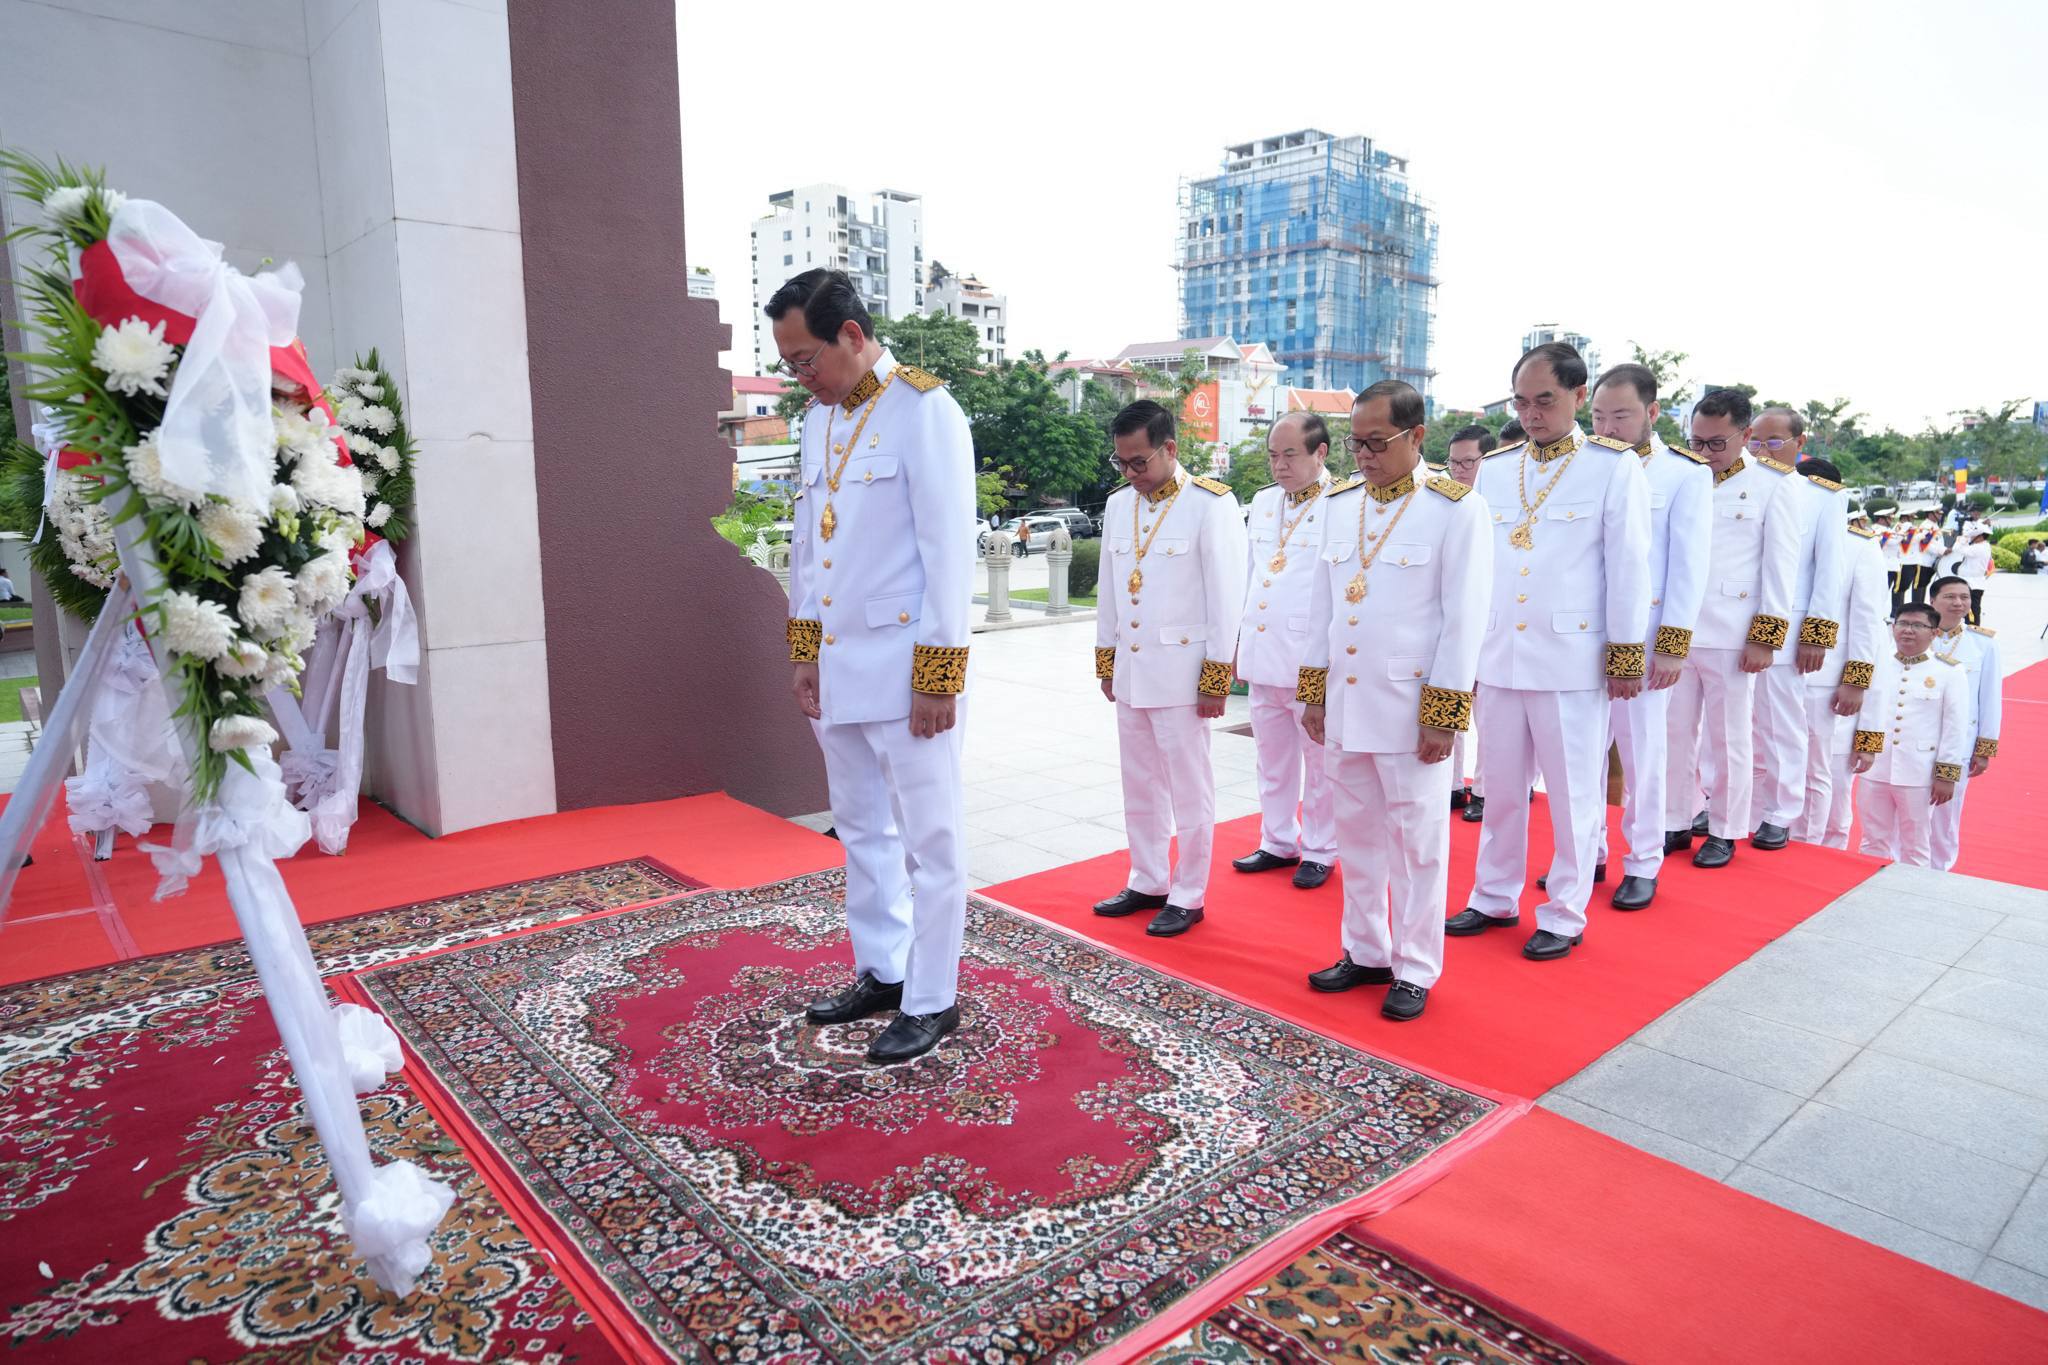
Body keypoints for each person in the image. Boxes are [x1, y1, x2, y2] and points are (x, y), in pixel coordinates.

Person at [773, 268, 975, 1064]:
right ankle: (884, 969)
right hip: (838, 666)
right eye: (789, 363)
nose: (802, 375)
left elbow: (948, 555)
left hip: (904, 671)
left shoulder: (925, 410)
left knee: (930, 839)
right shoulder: (818, 420)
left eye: (806, 358)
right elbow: (806, 550)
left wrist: (938, 676)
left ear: (852, 335)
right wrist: (804, 651)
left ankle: (932, 997)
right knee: (860, 828)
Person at [1449, 342, 1649, 961]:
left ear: (1578, 397)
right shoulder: (1497, 467)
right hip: (1500, 653)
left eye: (1545, 400)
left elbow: (1629, 567)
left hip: (1570, 659)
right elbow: (1478, 567)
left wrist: (1625, 655)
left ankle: (1564, 911)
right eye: (1521, 402)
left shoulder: (1613, 467)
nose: (1531, 414)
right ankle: (1493, 895)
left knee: (1573, 793)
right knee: (1500, 790)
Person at [1299, 382, 1489, 1019]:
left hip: (1411, 710)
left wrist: (1444, 715)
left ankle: (1414, 967)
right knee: (1356, 836)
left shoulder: (1455, 509)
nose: (1363, 456)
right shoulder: (1339, 504)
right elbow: (1322, 607)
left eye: (1377, 443)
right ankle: (1366, 950)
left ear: (1416, 436)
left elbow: (1464, 620)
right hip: (1347, 704)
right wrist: (1315, 693)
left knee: (1417, 844)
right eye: (1355, 443)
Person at [1093, 400, 1249, 938]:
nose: (1130, 473)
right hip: (1134, 670)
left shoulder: (1210, 504)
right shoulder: (1119, 505)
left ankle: (1188, 893)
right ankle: (1148, 878)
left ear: (1170, 449)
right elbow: (1110, 593)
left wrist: (1217, 676)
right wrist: (1107, 661)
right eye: (1121, 462)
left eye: (1139, 462)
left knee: (1188, 785)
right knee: (1139, 782)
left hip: (1183, 674)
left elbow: (1226, 598)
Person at [1585, 364, 1710, 910]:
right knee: (1581, 755)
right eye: (1598, 416)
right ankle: (1586, 852)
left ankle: (1642, 861)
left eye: (1621, 415)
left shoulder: (1683, 474)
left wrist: (1672, 646)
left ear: (1652, 413)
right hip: (1581, 634)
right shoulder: (1584, 465)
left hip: (1644, 638)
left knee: (1642, 753)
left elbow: (1688, 567)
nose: (1608, 427)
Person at [1664, 390, 1799, 868]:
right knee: (1674, 734)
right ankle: (1676, 819)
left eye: (1716, 443)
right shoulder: (1681, 476)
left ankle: (1724, 828)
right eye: (1696, 441)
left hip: (1732, 632)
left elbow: (1780, 568)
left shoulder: (1773, 485)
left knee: (1729, 738)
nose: (1704, 452)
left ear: (1746, 435)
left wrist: (1766, 637)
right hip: (1677, 631)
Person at [1232, 412, 1338, 889]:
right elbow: (1251, 574)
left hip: (1308, 656)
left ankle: (1320, 848)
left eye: (1290, 455)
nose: (1279, 466)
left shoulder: (1342, 503)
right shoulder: (1263, 501)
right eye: (1273, 455)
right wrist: (1238, 641)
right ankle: (1277, 840)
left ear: (1320, 452)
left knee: (1320, 762)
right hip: (1262, 648)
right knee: (1271, 757)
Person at [1745, 407, 1846, 850]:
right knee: (1730, 724)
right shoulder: (1732, 483)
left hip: (1787, 628)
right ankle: (1726, 804)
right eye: (1755, 442)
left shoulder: (1821, 497)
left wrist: (1816, 635)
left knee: (1781, 722)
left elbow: (1829, 571)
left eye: (1774, 442)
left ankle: (1781, 811)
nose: (1763, 452)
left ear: (1799, 443)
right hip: (1732, 622)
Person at [1797, 483, 1888, 847]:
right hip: (1774, 673)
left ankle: (1823, 854)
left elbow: (1868, 625)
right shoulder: (1784, 531)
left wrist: (1856, 681)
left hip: (1828, 682)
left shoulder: (1859, 547)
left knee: (1829, 779)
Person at [1850, 604, 1968, 868]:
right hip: (1876, 766)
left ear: (1934, 632)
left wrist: (1946, 775)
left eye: (1918, 626)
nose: (1908, 631)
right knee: (1872, 839)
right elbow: (1866, 710)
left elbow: (1955, 728)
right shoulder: (1877, 663)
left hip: (1919, 772)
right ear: (1893, 628)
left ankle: (1912, 891)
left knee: (1915, 844)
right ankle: (1869, 887)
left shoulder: (1949, 671)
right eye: (1903, 624)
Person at [1927, 574, 2000, 872]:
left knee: (1947, 812)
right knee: (1907, 807)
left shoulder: (1982, 644)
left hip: (1959, 743)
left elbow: (1990, 698)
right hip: (1915, 738)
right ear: (1933, 600)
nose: (1958, 603)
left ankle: (1940, 869)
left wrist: (1984, 748)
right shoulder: (1916, 635)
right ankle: (1901, 863)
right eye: (1950, 596)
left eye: (1964, 597)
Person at [1445, 424, 1497, 820]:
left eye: (1468, 462)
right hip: (1455, 622)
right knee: (1451, 701)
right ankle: (1451, 785)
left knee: (1489, 716)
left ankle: (1484, 789)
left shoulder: (1502, 502)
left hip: (1496, 625)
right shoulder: (1444, 505)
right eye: (1453, 462)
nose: (1459, 471)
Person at [1953, 530, 1994, 624]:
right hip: (1975, 583)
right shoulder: (1984, 546)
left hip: (1972, 584)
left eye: (1973, 536)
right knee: (1973, 609)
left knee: (1971, 610)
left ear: (1980, 537)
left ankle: (1972, 630)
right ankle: (1973, 629)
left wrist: (1961, 540)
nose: (1971, 538)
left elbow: (1956, 549)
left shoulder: (1977, 548)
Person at [1875, 512, 1904, 607]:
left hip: (1893, 565)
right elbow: (1893, 542)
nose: (1891, 520)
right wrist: (1902, 534)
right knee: (1882, 593)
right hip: (1885, 565)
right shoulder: (1878, 530)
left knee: (1895, 592)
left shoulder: (1888, 530)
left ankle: (1893, 612)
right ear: (1881, 519)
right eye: (1889, 518)